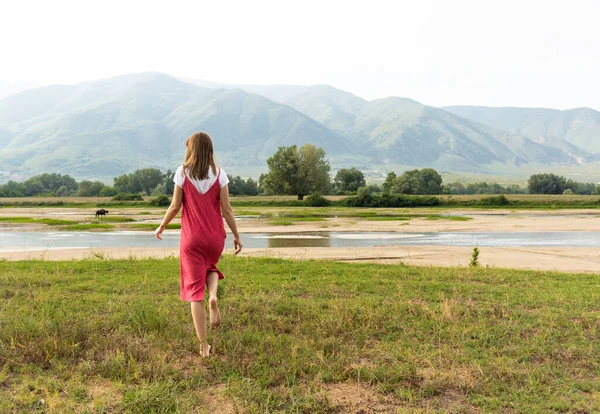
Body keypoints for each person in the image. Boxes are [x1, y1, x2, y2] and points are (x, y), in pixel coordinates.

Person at [155, 131, 243, 357]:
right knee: (211, 267)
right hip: (215, 237)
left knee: (195, 292)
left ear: (191, 150)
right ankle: (213, 295)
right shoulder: (220, 174)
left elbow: (175, 206)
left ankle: (204, 347)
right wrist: (236, 236)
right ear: (210, 150)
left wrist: (162, 225)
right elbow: (227, 209)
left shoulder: (182, 173)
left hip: (191, 239)